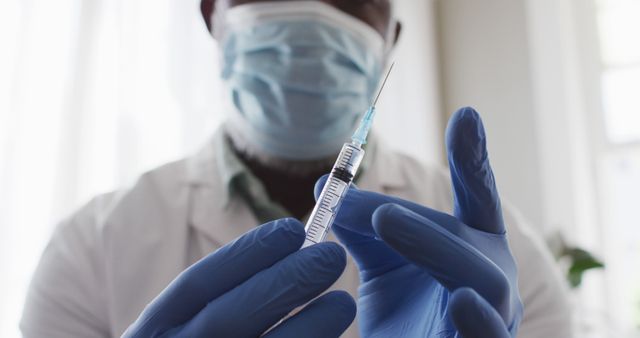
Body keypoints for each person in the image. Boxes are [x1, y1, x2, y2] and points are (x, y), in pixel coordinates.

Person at [21, 0, 572, 337]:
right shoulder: (91, 247)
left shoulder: (500, 265)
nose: (312, 8)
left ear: (389, 39)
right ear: (213, 13)